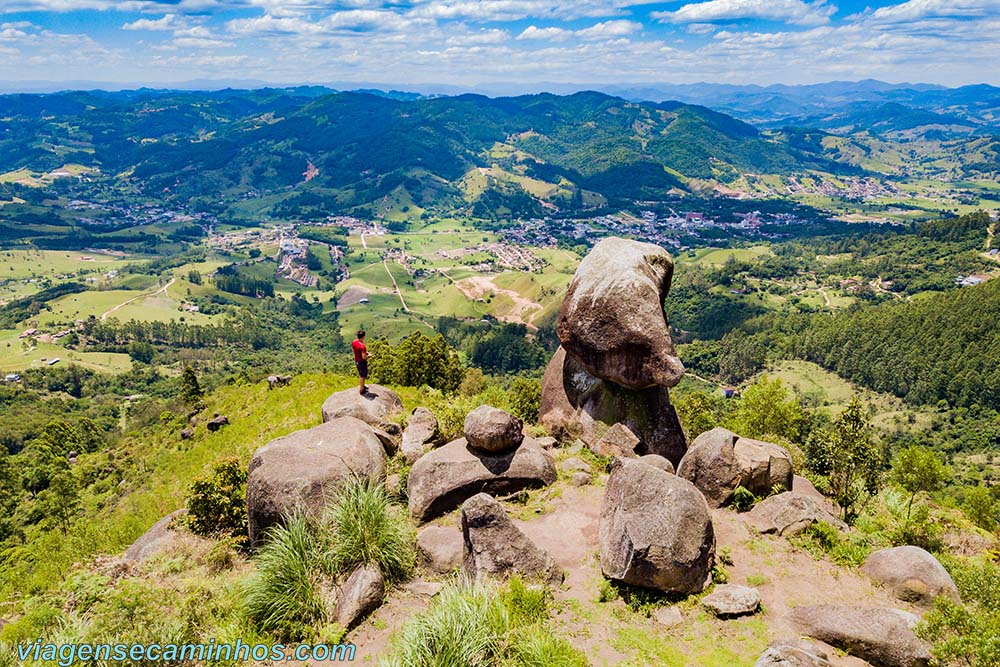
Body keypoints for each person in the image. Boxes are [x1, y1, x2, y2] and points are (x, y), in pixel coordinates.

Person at [352, 329, 369, 395]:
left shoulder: (354, 342)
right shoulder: (363, 346)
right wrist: (369, 355)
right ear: (363, 336)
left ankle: (362, 386)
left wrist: (365, 353)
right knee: (363, 376)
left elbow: (355, 350)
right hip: (362, 362)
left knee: (361, 374)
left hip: (356, 361)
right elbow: (364, 357)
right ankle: (362, 390)